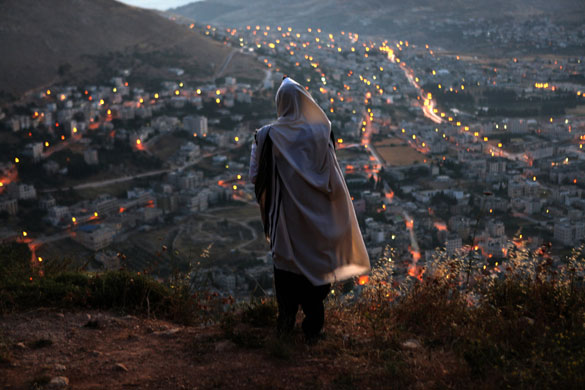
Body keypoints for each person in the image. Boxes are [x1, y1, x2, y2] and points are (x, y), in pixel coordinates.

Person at [249, 77, 370, 343]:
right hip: (319, 220)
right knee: (315, 272)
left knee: (286, 270)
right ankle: (313, 329)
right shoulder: (321, 133)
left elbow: (254, 175)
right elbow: (333, 176)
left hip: (284, 220)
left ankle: (285, 325)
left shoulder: (267, 136)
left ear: (281, 103)